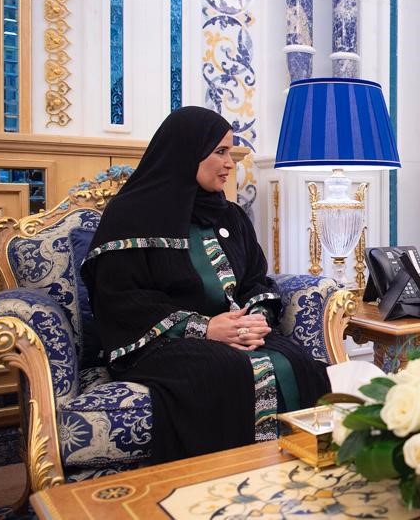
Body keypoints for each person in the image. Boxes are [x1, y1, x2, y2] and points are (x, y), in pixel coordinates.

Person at [82, 106, 332, 463]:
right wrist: (206, 328)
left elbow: (255, 279)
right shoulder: (130, 216)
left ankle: (297, 470)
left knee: (296, 361)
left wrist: (253, 320)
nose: (230, 163)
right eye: (220, 151)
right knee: (225, 371)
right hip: (161, 341)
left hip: (237, 331)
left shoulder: (229, 215)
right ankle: (228, 477)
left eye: (230, 151)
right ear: (188, 152)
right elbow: (122, 299)